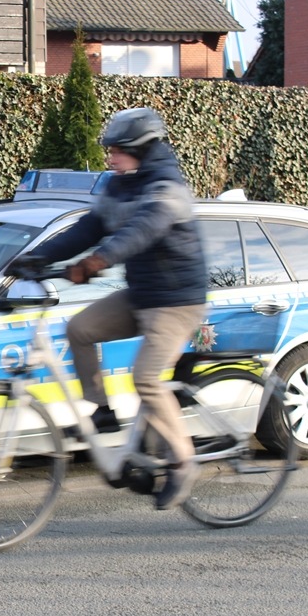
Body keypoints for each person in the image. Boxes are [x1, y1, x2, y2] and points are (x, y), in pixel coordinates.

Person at [28, 107, 208, 510]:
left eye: (117, 149)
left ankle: (184, 461)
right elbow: (89, 227)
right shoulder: (117, 185)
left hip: (177, 300)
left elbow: (143, 230)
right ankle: (101, 408)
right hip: (142, 294)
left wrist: (97, 261)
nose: (110, 156)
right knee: (80, 329)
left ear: (141, 149)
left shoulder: (168, 187)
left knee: (145, 379)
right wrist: (36, 258)